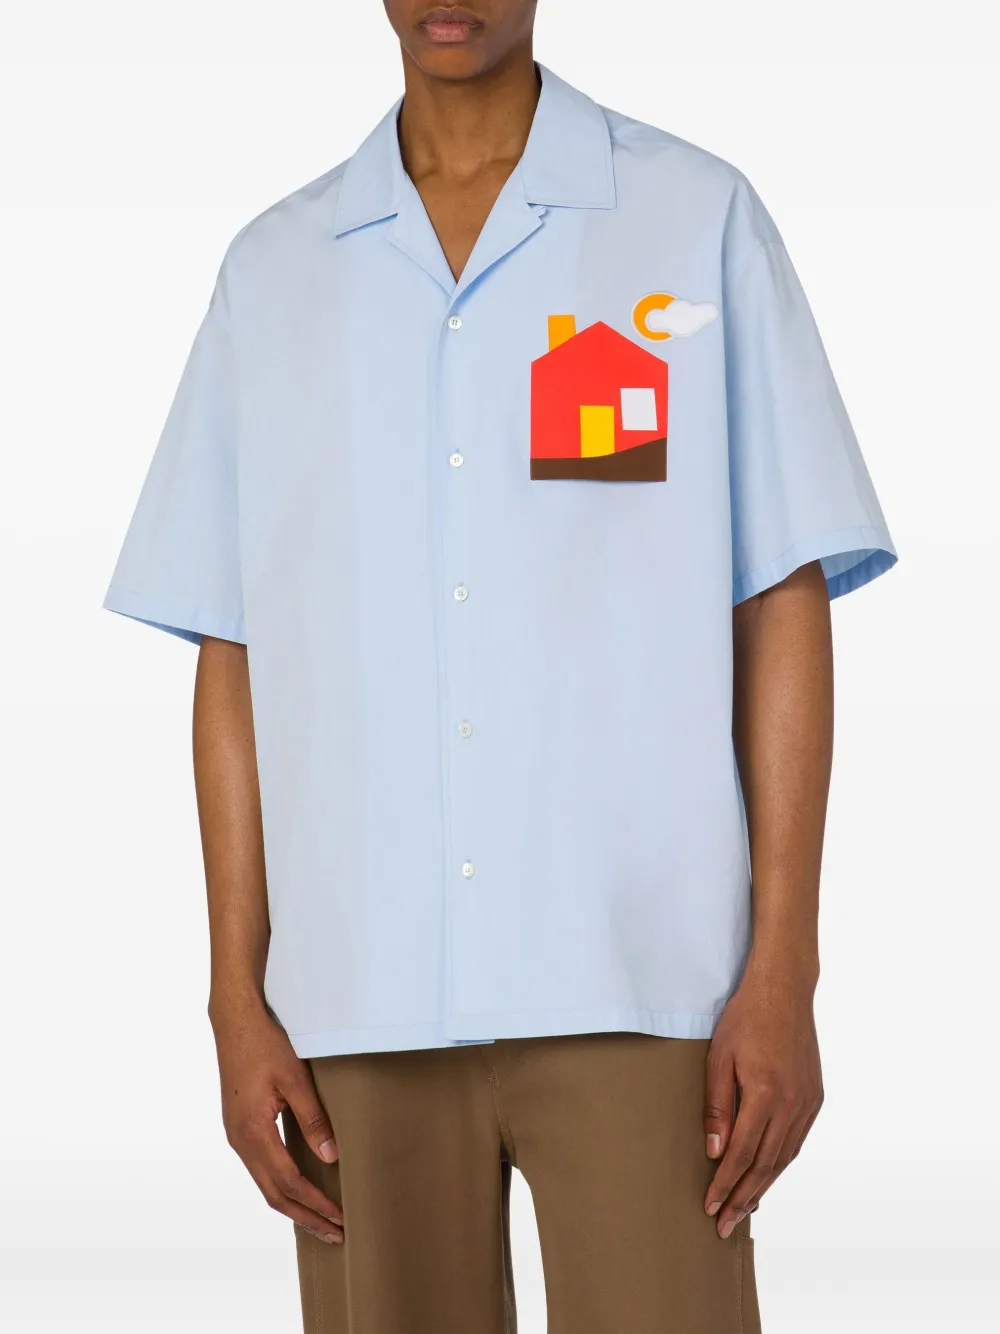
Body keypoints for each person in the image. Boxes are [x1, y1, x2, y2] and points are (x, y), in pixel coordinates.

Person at [103, 2, 896, 1330]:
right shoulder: (276, 271)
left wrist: (784, 970)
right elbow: (233, 647)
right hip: (358, 1001)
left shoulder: (690, 220)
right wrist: (236, 996)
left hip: (643, 984)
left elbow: (780, 601)